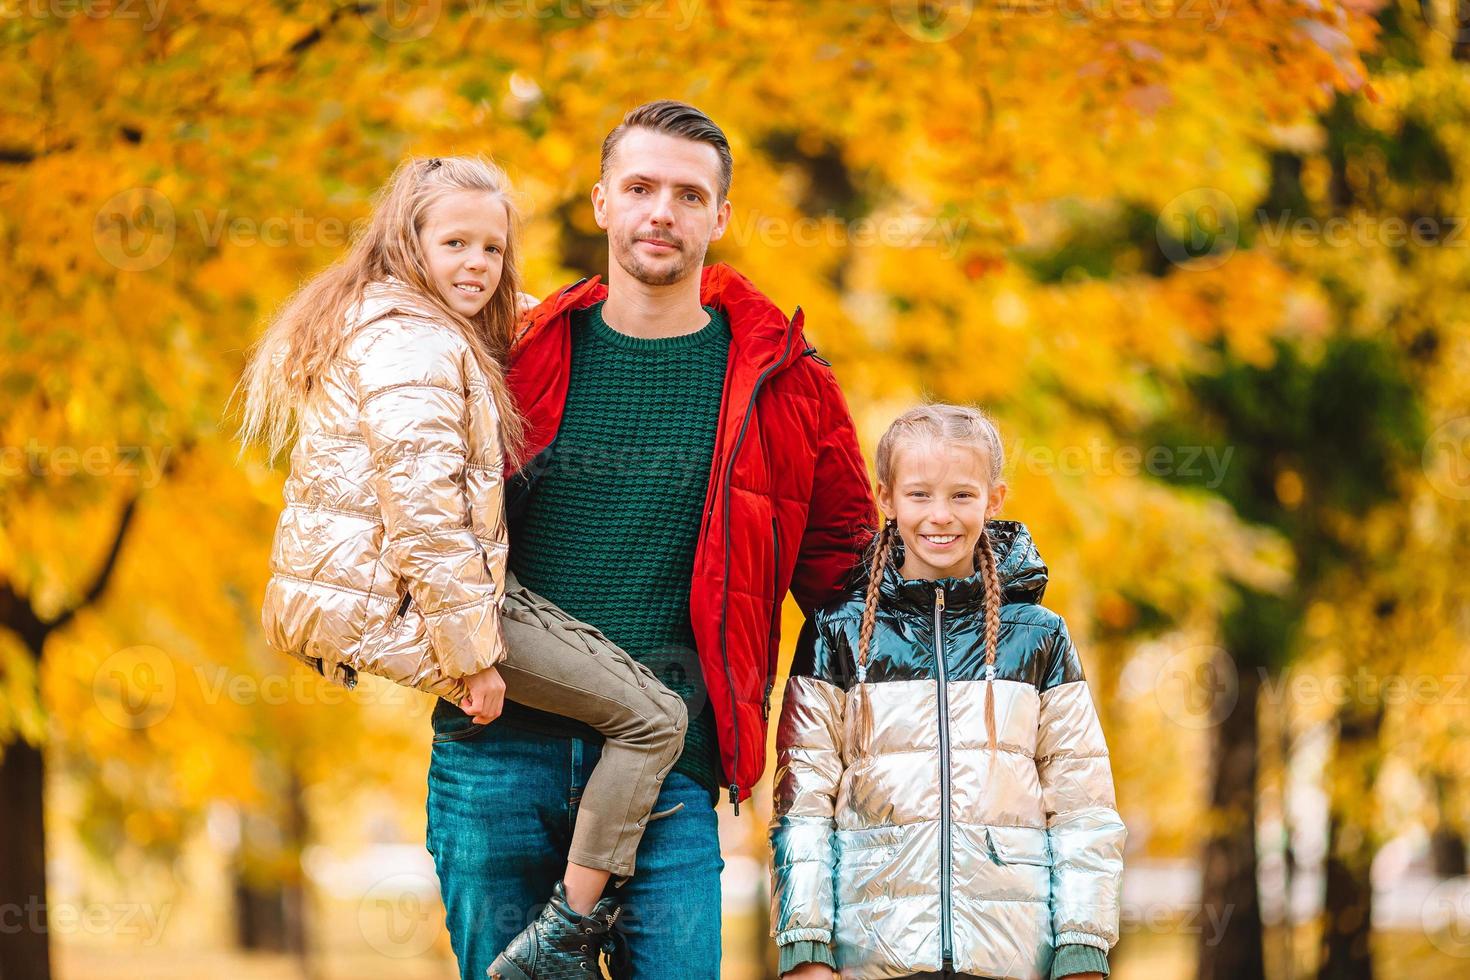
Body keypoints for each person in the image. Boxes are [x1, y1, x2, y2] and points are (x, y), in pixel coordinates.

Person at [425, 101, 877, 979]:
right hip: (497, 754)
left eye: (687, 193)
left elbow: (849, 584)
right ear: (601, 202)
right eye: (639, 187)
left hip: (671, 772)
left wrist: (977, 606)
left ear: (721, 217)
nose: (661, 211)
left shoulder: (787, 383)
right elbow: (413, 509)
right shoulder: (512, 352)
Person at [238, 155, 690, 979]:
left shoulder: (406, 322)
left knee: (642, 709)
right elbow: (426, 517)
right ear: (408, 245)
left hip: (451, 593)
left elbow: (516, 313)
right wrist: (470, 658)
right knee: (655, 719)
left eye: (491, 249)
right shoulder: (413, 344)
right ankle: (563, 938)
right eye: (455, 244)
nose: (476, 266)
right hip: (427, 605)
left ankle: (561, 931)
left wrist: (580, 304)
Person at [770, 404, 1125, 980]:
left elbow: (1083, 805)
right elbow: (803, 805)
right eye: (919, 495)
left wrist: (1083, 945)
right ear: (885, 499)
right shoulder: (836, 633)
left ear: (994, 499)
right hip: (873, 954)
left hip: (1012, 956)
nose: (940, 516)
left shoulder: (1038, 636)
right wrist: (806, 946)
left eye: (962, 495)